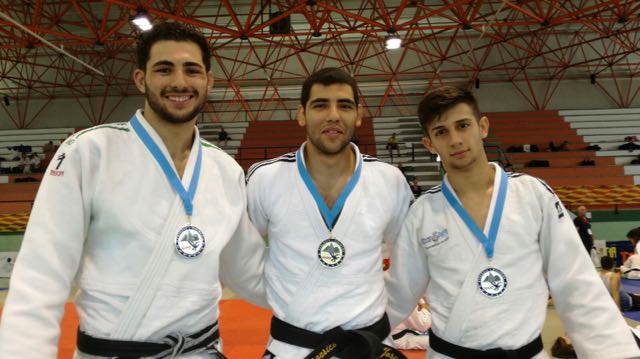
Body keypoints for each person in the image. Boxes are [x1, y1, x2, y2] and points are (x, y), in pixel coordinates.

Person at [0, 22, 268, 358]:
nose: (180, 82)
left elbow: (250, 272)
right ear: (141, 79)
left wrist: (339, 290)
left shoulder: (224, 170)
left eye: (192, 70)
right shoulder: (89, 151)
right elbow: (41, 274)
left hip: (201, 351)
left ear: (208, 81)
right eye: (164, 69)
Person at [386, 86, 640, 358]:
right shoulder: (422, 213)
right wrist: (352, 336)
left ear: (482, 127)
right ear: (429, 144)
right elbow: (399, 292)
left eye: (463, 125)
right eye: (441, 132)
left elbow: (575, 281)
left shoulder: (532, 195)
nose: (455, 139)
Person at [246, 67, 413, 358]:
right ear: (301, 114)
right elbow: (240, 259)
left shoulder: (390, 179)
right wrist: (285, 299)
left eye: (345, 105)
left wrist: (379, 318)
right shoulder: (264, 178)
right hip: (292, 347)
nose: (333, 115)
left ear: (358, 115)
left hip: (370, 344)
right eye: (320, 104)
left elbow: (411, 260)